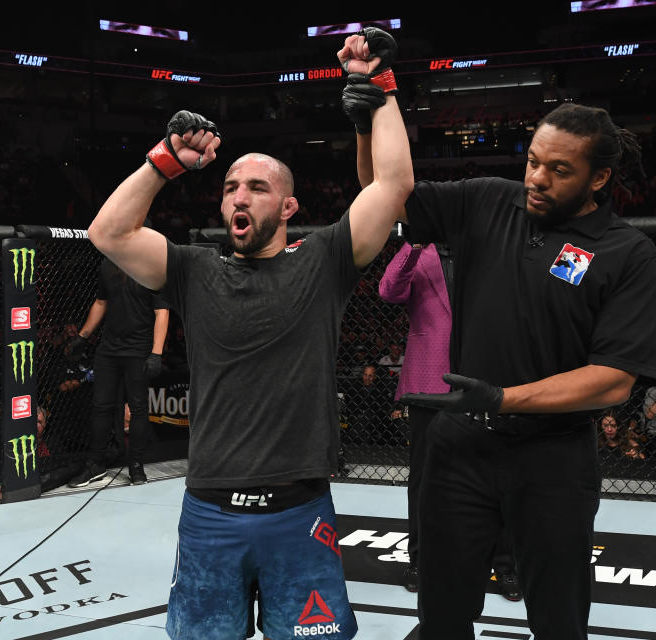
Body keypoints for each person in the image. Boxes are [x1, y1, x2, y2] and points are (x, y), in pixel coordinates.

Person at [87, 27, 412, 640]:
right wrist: (164, 162)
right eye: (232, 185)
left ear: (287, 208)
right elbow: (109, 233)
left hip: (299, 508)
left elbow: (391, 188)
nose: (240, 195)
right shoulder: (192, 269)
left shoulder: (324, 261)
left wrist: (378, 84)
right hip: (211, 509)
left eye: (257, 187)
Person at [384, 102, 656, 639]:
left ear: (598, 178)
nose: (537, 178)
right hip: (459, 450)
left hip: (552, 458)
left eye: (560, 170)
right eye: (533, 161)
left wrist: (502, 398)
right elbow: (391, 193)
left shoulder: (626, 252)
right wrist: (375, 105)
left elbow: (614, 377)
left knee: (558, 620)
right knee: (440, 615)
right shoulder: (489, 199)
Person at [377, 239, 452, 593]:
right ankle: (420, 560)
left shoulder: (483, 245)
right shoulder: (423, 253)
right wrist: (414, 245)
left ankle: (501, 562)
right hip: (428, 379)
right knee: (424, 478)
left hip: (482, 375)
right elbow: (388, 289)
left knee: (491, 474)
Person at [66, 257, 169, 487]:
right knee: (101, 406)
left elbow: (162, 312)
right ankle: (95, 465)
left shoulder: (152, 266)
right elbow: (101, 302)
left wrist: (156, 353)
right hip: (109, 347)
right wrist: (83, 335)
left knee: (138, 407)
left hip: (138, 347)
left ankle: (136, 465)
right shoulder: (107, 264)